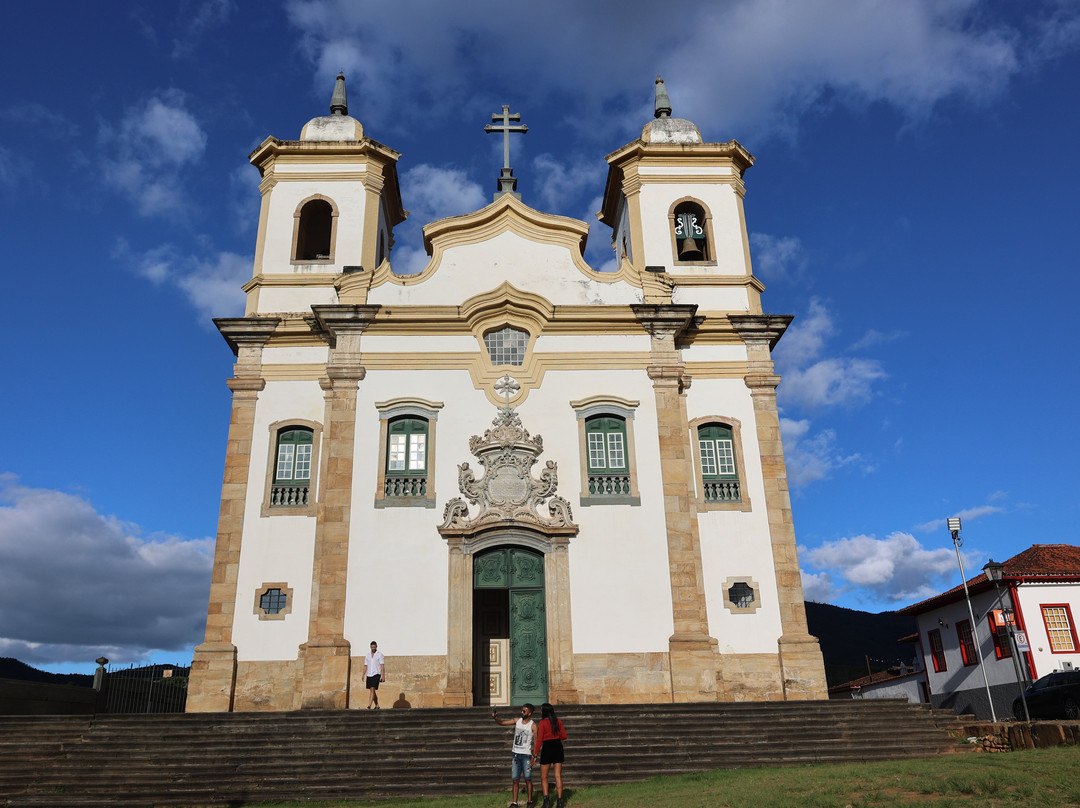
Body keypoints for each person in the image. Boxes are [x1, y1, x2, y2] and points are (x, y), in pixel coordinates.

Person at [492, 703, 535, 808]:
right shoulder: (517, 721)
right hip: (516, 754)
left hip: (526, 755)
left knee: (528, 779)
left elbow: (536, 741)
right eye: (522, 710)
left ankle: (530, 801)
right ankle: (515, 802)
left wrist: (535, 756)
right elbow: (502, 723)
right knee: (515, 779)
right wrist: (495, 717)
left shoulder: (533, 725)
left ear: (529, 713)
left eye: (524, 711)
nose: (522, 712)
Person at [532, 702, 567, 808]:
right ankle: (560, 802)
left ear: (545, 711)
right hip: (557, 746)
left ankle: (546, 802)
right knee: (557, 775)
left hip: (547, 747)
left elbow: (539, 740)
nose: (540, 711)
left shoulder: (542, 723)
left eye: (542, 709)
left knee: (544, 777)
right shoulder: (558, 721)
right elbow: (564, 736)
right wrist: (556, 736)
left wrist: (535, 755)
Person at [364, 640, 384, 709]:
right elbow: (365, 665)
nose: (373, 649)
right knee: (372, 690)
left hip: (376, 673)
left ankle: (369, 705)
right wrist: (363, 674)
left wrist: (383, 675)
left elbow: (382, 665)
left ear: (376, 647)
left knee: (372, 688)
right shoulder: (367, 655)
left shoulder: (380, 654)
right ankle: (377, 705)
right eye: (372, 647)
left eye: (374, 647)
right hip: (369, 674)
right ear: (370, 647)